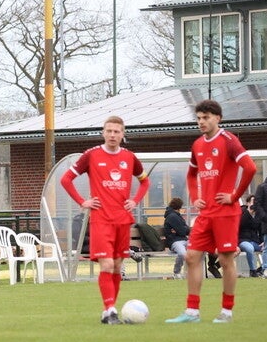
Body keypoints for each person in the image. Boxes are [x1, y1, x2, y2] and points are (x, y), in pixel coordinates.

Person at [166, 100, 256, 324]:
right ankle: (192, 312)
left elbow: (250, 167)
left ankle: (227, 311)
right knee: (191, 256)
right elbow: (191, 174)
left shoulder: (229, 141)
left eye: (205, 117)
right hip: (206, 214)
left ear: (218, 118)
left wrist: (234, 196)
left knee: (225, 260)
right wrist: (195, 196)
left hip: (226, 213)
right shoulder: (197, 144)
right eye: (198, 118)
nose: (201, 122)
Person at [60, 115, 150, 324]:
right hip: (101, 220)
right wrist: (83, 201)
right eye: (109, 131)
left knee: (117, 266)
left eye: (116, 131)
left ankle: (108, 310)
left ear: (122, 134)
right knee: (107, 264)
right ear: (103, 133)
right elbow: (66, 179)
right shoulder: (91, 155)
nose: (112, 135)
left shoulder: (129, 157)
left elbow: (145, 181)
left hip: (122, 220)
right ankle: (110, 310)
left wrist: (135, 200)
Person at [163, 197, 189, 279]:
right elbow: (183, 231)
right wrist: (182, 229)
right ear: (180, 207)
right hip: (175, 241)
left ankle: (193, 271)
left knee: (199, 250)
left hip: (184, 240)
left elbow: (186, 230)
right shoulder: (172, 216)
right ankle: (176, 272)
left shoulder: (177, 215)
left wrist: (180, 229)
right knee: (182, 253)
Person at [238, 194, 263, 277]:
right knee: (250, 248)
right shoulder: (241, 211)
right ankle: (253, 270)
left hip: (255, 241)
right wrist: (249, 212)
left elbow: (261, 230)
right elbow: (240, 225)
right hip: (243, 240)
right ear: (248, 203)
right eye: (253, 202)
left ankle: (262, 268)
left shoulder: (259, 214)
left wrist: (263, 241)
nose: (255, 204)